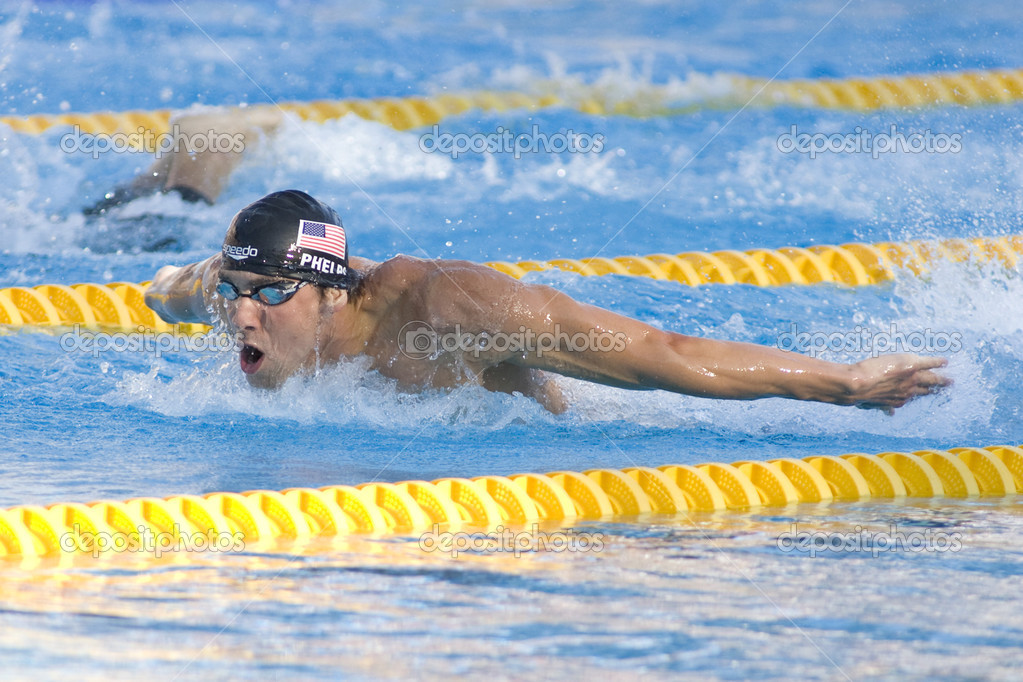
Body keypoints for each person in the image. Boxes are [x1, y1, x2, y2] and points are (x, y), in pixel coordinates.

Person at [144, 189, 951, 414]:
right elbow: (169, 293)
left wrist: (841, 382)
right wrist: (174, 290)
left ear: (329, 291)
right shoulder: (235, 295)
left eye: (274, 293)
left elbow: (659, 352)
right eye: (240, 293)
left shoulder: (446, 309)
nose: (245, 315)